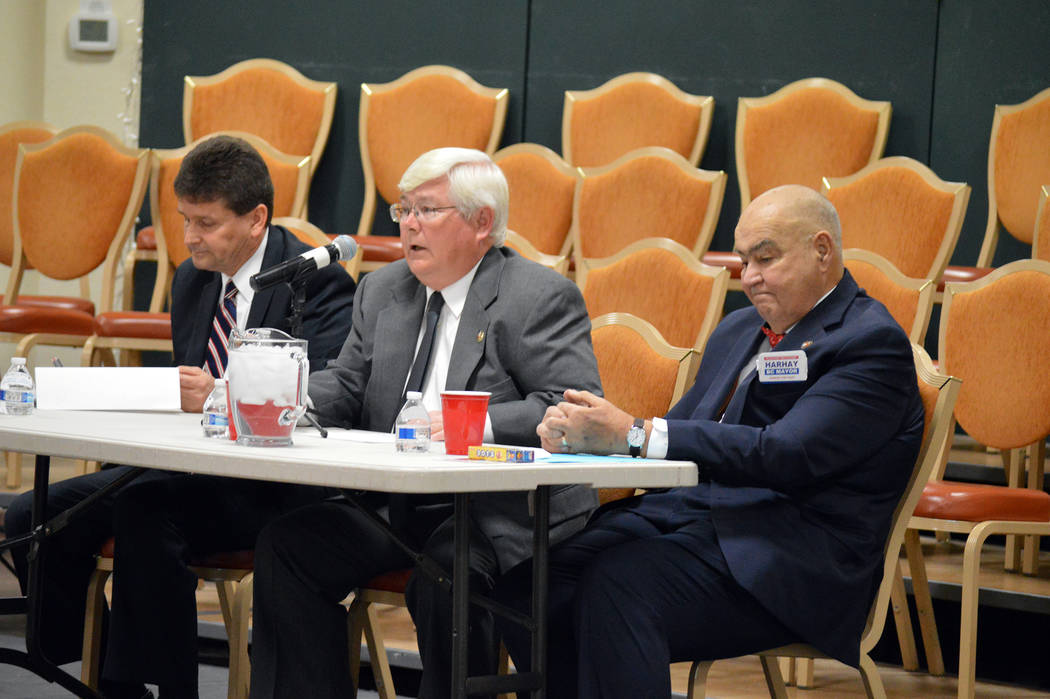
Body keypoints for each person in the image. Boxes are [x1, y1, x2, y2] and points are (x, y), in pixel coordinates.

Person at [493, 184, 926, 698]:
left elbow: (786, 454)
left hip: (791, 557)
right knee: (527, 586)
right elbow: (676, 431)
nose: (751, 277)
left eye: (766, 257)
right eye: (743, 261)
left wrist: (633, 433)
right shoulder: (740, 328)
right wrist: (585, 438)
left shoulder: (869, 343)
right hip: (689, 523)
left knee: (619, 586)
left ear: (822, 250)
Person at [5, 134, 356, 699]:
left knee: (147, 513)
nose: (190, 237)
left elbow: (331, 395)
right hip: (190, 467)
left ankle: (166, 687)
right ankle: (88, 669)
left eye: (207, 223)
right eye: (184, 219)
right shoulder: (192, 278)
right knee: (34, 513)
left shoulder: (315, 282)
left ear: (256, 219)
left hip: (274, 484)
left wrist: (221, 393)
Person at [248, 147, 602, 699]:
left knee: (445, 575)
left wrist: (471, 425)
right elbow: (346, 382)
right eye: (404, 210)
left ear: (482, 223)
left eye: (427, 211)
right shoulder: (384, 289)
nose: (409, 224)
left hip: (497, 505)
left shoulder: (536, 296)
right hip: (401, 498)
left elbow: (570, 408)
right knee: (290, 545)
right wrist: (274, 393)